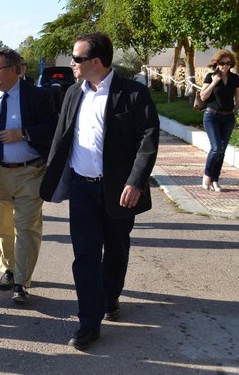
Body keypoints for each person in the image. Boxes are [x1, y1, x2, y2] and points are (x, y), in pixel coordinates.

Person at [40, 32, 159, 351]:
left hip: (120, 189)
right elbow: (61, 136)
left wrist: (136, 181)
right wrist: (52, 176)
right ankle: (88, 322)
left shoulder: (133, 93)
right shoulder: (73, 93)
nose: (72, 64)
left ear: (96, 61)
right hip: (82, 188)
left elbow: (148, 139)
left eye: (77, 58)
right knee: (86, 255)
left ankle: (111, 296)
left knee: (117, 249)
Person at [0, 48, 57, 303]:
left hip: (30, 172)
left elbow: (54, 127)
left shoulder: (37, 96)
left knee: (27, 227)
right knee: (1, 227)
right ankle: (8, 270)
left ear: (14, 70)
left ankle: (21, 281)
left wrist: (24, 133)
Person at [198, 49, 239, 192]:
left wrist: (235, 111)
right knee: (216, 149)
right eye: (222, 63)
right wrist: (215, 82)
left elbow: (237, 98)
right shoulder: (211, 76)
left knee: (222, 151)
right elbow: (203, 96)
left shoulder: (235, 78)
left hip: (228, 117)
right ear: (217, 63)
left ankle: (215, 180)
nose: (225, 66)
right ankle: (207, 175)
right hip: (212, 116)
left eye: (228, 63)